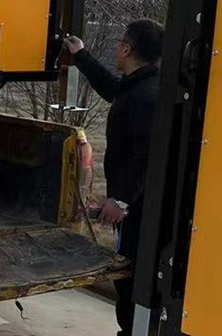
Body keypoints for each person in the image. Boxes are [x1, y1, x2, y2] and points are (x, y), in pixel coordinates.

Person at [64, 19, 164, 336]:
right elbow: (112, 89)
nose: (116, 47)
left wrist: (121, 200)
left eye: (119, 42)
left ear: (126, 49)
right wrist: (81, 55)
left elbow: (146, 158)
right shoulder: (140, 85)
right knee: (128, 276)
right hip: (135, 206)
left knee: (132, 277)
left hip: (139, 210)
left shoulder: (146, 97)